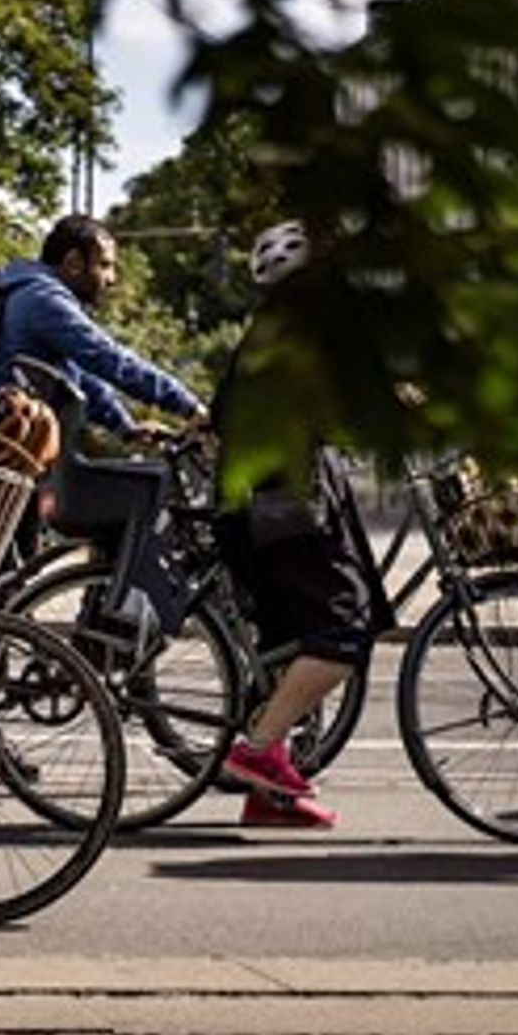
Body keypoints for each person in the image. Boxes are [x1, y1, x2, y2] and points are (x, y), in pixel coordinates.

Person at [209, 221, 377, 830]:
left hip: (253, 512)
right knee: (343, 633)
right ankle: (256, 752)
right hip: (284, 511)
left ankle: (269, 794)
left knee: (288, 645)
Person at [0, 215, 205, 435]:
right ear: (74, 262)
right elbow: (109, 358)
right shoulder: (43, 299)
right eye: (104, 265)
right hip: (8, 443)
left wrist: (125, 428)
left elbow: (76, 376)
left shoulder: (26, 289)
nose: (111, 279)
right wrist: (188, 405)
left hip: (12, 434)